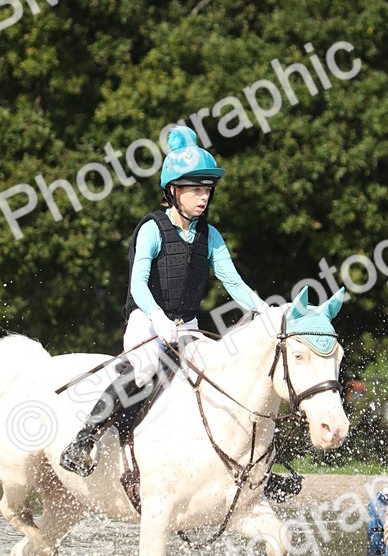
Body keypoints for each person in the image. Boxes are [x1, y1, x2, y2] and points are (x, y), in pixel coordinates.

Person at [60, 126, 268, 477]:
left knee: (219, 374)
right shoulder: (152, 229)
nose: (203, 197)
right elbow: (138, 284)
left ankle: (248, 463)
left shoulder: (210, 236)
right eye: (195, 190)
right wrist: (156, 318)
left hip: (187, 325)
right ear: (172, 191)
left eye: (207, 190)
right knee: (142, 368)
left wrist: (264, 310)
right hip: (147, 319)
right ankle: (83, 440)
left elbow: (233, 282)